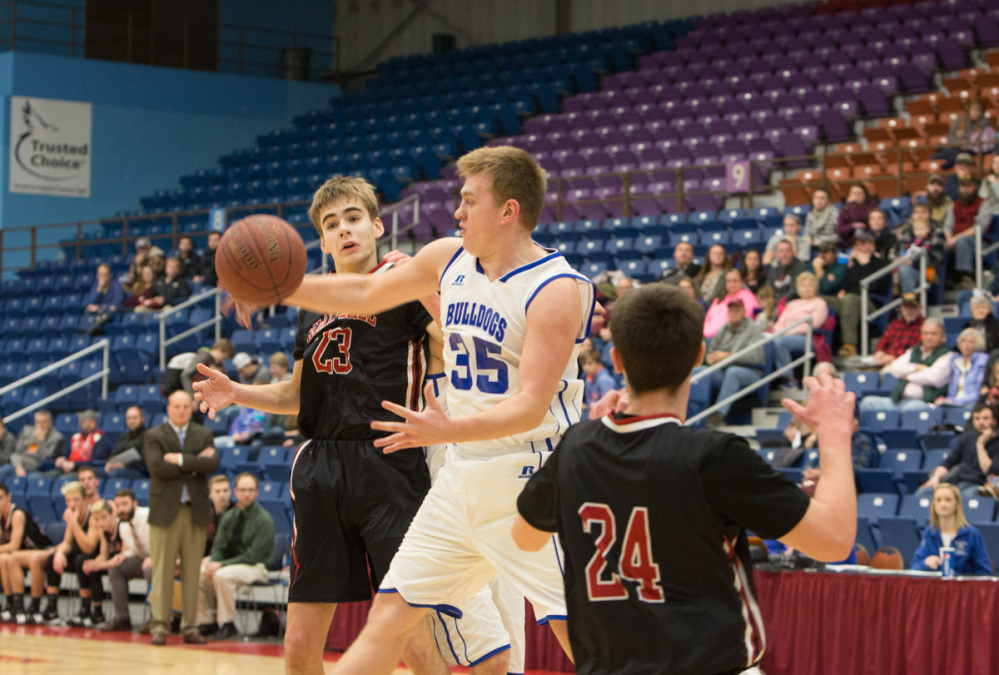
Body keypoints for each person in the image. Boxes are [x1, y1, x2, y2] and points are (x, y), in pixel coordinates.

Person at [208, 148, 597, 674]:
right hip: (445, 474)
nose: (455, 212)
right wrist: (278, 287)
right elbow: (365, 294)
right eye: (459, 200)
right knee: (388, 619)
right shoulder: (443, 258)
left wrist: (447, 423)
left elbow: (527, 402)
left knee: (570, 631)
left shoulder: (553, 288)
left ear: (507, 211)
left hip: (516, 470)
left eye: (468, 200)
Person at [511, 284, 857, 673]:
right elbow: (835, 540)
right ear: (699, 355)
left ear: (616, 360)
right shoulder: (714, 457)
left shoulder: (576, 447)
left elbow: (524, 538)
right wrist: (834, 436)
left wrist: (586, 439)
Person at [193, 174, 452, 674]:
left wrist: (429, 285)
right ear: (320, 240)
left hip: (390, 461)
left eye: (354, 218)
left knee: (408, 636)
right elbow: (295, 394)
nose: (345, 230)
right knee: (298, 647)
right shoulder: (309, 307)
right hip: (321, 466)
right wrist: (236, 392)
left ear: (377, 225)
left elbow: (452, 345)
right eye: (331, 225)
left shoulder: (405, 282)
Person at [144, 390, 220, 646]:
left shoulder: (203, 433)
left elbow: (211, 465)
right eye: (177, 406)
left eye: (186, 406)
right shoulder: (154, 435)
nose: (182, 410)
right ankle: (159, 626)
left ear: (191, 408)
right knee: (162, 572)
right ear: (168, 408)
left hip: (195, 511)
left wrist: (178, 460)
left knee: (191, 574)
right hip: (165, 512)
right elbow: (157, 468)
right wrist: (194, 464)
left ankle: (190, 626)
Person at [196, 473, 275, 640]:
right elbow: (219, 547)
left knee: (222, 575)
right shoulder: (229, 517)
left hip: (257, 567)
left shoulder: (264, 519)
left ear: (257, 493)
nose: (247, 494)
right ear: (236, 492)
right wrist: (214, 561)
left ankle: (227, 624)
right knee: (202, 571)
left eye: (251, 490)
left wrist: (221, 565)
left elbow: (252, 557)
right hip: (232, 565)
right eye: (243, 490)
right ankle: (207, 622)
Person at [24, 481, 92, 625]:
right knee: (52, 559)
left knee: (82, 560)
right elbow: (67, 542)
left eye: (75, 500)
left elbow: (88, 547)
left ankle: (86, 610)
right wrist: (59, 552)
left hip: (91, 555)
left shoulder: (91, 516)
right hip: (77, 554)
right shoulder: (73, 515)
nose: (72, 504)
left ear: (84, 499)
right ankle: (52, 608)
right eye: (68, 500)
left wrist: (73, 523)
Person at [695, 298, 766, 428]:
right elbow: (712, 351)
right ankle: (695, 415)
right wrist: (711, 358)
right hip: (723, 370)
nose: (734, 313)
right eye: (731, 310)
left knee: (733, 373)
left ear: (744, 311)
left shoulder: (753, 328)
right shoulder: (724, 329)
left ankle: (718, 416)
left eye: (737, 310)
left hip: (750, 372)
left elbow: (757, 357)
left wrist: (729, 357)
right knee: (699, 372)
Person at [859, 318, 953, 413]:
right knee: (867, 403)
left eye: (933, 334)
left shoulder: (948, 354)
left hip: (924, 402)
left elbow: (933, 378)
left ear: (942, 337)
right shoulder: (914, 350)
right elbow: (895, 368)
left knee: (910, 409)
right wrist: (917, 368)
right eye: (926, 333)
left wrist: (906, 376)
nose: (929, 337)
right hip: (898, 400)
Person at [825, 230, 890, 357]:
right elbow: (846, 285)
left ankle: (849, 345)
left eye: (863, 244)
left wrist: (865, 265)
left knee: (850, 299)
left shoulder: (881, 263)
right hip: (850, 301)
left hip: (870, 304)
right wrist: (843, 289)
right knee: (822, 301)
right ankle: (820, 345)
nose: (859, 248)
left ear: (871, 245)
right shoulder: (853, 264)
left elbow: (876, 287)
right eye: (856, 245)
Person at [911, 483, 992, 575]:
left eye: (948, 500)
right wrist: (925, 563)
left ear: (956, 504)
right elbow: (915, 566)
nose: (943, 504)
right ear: (933, 504)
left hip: (964, 587)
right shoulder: (929, 533)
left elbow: (984, 571)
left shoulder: (972, 534)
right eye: (938, 500)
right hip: (937, 586)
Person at [100, 489, 151, 632]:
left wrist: (155, 559)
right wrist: (124, 555)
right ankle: (122, 618)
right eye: (118, 505)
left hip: (163, 559)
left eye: (124, 504)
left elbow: (167, 541)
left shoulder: (148, 516)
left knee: (150, 570)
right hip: (142, 559)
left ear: (134, 504)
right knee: (116, 567)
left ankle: (156, 620)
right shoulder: (122, 524)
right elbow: (135, 549)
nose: (121, 509)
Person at [0, 482, 52, 622]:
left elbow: (14, 546)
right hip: (20, 554)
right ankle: (12, 604)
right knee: (3, 559)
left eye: (0, 498)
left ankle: (29, 607)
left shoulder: (17, 514)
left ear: (8, 497)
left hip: (41, 550)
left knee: (9, 557)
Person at [771, 272, 829, 389]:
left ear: (815, 287)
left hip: (807, 338)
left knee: (779, 342)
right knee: (769, 342)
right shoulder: (792, 304)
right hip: (784, 335)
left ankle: (789, 380)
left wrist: (789, 332)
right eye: (803, 285)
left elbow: (814, 324)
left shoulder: (820, 303)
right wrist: (776, 332)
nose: (806, 288)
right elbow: (780, 322)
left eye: (809, 285)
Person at [74, 499, 123, 627]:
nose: (100, 522)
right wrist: (93, 563)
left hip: (125, 560)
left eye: (103, 518)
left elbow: (123, 556)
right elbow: (104, 554)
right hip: (112, 560)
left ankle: (121, 616)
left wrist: (98, 564)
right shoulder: (102, 531)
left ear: (113, 515)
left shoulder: (122, 526)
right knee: (89, 566)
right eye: (96, 519)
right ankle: (97, 612)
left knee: (106, 568)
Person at [947, 176, 994, 290]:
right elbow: (947, 227)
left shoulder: (984, 204)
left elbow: (979, 228)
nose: (966, 189)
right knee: (938, 244)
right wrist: (948, 239)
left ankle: (966, 278)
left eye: (969, 186)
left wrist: (955, 239)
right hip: (955, 241)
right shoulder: (954, 205)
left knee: (963, 241)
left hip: (979, 243)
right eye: (963, 186)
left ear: (976, 187)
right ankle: (943, 280)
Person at [895, 202, 946, 295]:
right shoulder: (907, 231)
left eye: (923, 212)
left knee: (904, 269)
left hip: (927, 274)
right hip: (904, 266)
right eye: (916, 212)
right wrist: (896, 259)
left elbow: (936, 257)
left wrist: (912, 262)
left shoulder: (937, 232)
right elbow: (896, 251)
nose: (919, 215)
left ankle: (909, 301)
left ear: (930, 215)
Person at [0, 410, 64, 481]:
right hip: (19, 465)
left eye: (43, 422)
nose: (40, 425)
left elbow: (43, 461)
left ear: (50, 423)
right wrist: (18, 466)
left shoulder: (56, 438)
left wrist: (41, 441)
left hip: (36, 469)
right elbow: (15, 453)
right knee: (5, 469)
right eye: (37, 422)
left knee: (33, 478)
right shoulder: (27, 431)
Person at [160, 338, 235, 398]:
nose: (222, 361)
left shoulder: (208, 359)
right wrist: (192, 397)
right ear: (219, 349)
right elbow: (185, 375)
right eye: (224, 358)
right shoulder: (204, 357)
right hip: (174, 385)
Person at [933, 98, 997, 166]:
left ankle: (949, 165)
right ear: (969, 109)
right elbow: (950, 135)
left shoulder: (984, 123)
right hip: (956, 146)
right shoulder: (960, 119)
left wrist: (968, 144)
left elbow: (979, 139)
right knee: (941, 153)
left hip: (970, 150)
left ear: (982, 112)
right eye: (974, 109)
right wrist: (959, 143)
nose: (976, 112)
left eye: (979, 110)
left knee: (955, 154)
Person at [935, 328, 988, 408]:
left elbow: (977, 392)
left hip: (972, 402)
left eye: (971, 342)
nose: (966, 345)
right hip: (953, 401)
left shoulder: (982, 360)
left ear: (978, 344)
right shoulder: (955, 361)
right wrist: (946, 400)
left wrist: (953, 401)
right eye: (963, 341)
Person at [703, 269, 762, 339]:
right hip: (707, 336)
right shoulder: (719, 299)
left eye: (735, 281)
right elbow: (707, 319)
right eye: (729, 281)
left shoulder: (748, 296)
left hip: (728, 337)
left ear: (742, 282)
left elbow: (746, 320)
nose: (731, 284)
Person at [871, 293, 925, 366]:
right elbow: (883, 341)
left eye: (913, 307)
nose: (909, 311)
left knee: (886, 373)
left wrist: (894, 357)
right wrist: (879, 352)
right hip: (886, 360)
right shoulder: (895, 323)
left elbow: (916, 349)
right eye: (906, 307)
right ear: (901, 308)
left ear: (920, 308)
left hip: (908, 363)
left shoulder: (925, 325)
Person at [49, 410, 104, 476]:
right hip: (68, 468)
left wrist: (75, 464)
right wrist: (62, 459)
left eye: (90, 421)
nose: (87, 424)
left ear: (96, 423)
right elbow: (67, 454)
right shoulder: (75, 437)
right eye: (84, 421)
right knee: (50, 475)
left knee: (66, 478)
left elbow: (96, 460)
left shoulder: (99, 438)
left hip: (85, 471)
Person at [104, 406, 148, 479]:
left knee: (115, 474)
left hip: (139, 471)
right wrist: (110, 463)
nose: (132, 421)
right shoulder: (123, 437)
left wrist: (125, 465)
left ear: (142, 419)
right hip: (120, 469)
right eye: (129, 418)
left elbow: (145, 460)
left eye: (135, 418)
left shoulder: (148, 436)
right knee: (95, 473)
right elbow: (113, 455)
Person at [765, 239, 808, 303]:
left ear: (793, 253)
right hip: (776, 303)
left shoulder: (800, 267)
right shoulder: (774, 267)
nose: (784, 254)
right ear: (776, 254)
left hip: (793, 303)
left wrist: (780, 301)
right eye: (781, 251)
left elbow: (794, 291)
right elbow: (769, 288)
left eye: (787, 251)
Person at [580, 348, 618, 419]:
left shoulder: (605, 379)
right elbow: (589, 401)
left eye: (590, 363)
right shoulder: (588, 379)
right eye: (583, 364)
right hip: (593, 414)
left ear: (598, 363)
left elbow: (607, 407)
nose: (586, 367)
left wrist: (587, 407)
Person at [835, 183, 875, 249]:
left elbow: (858, 220)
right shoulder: (845, 209)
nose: (856, 196)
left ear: (865, 195)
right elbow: (839, 230)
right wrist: (852, 226)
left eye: (859, 193)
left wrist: (853, 204)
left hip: (865, 242)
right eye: (853, 193)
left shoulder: (871, 208)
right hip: (847, 243)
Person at [205, 475, 234, 557]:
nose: (222, 495)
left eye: (225, 491)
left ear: (230, 492)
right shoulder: (205, 514)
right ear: (210, 494)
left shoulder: (238, 512)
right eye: (217, 491)